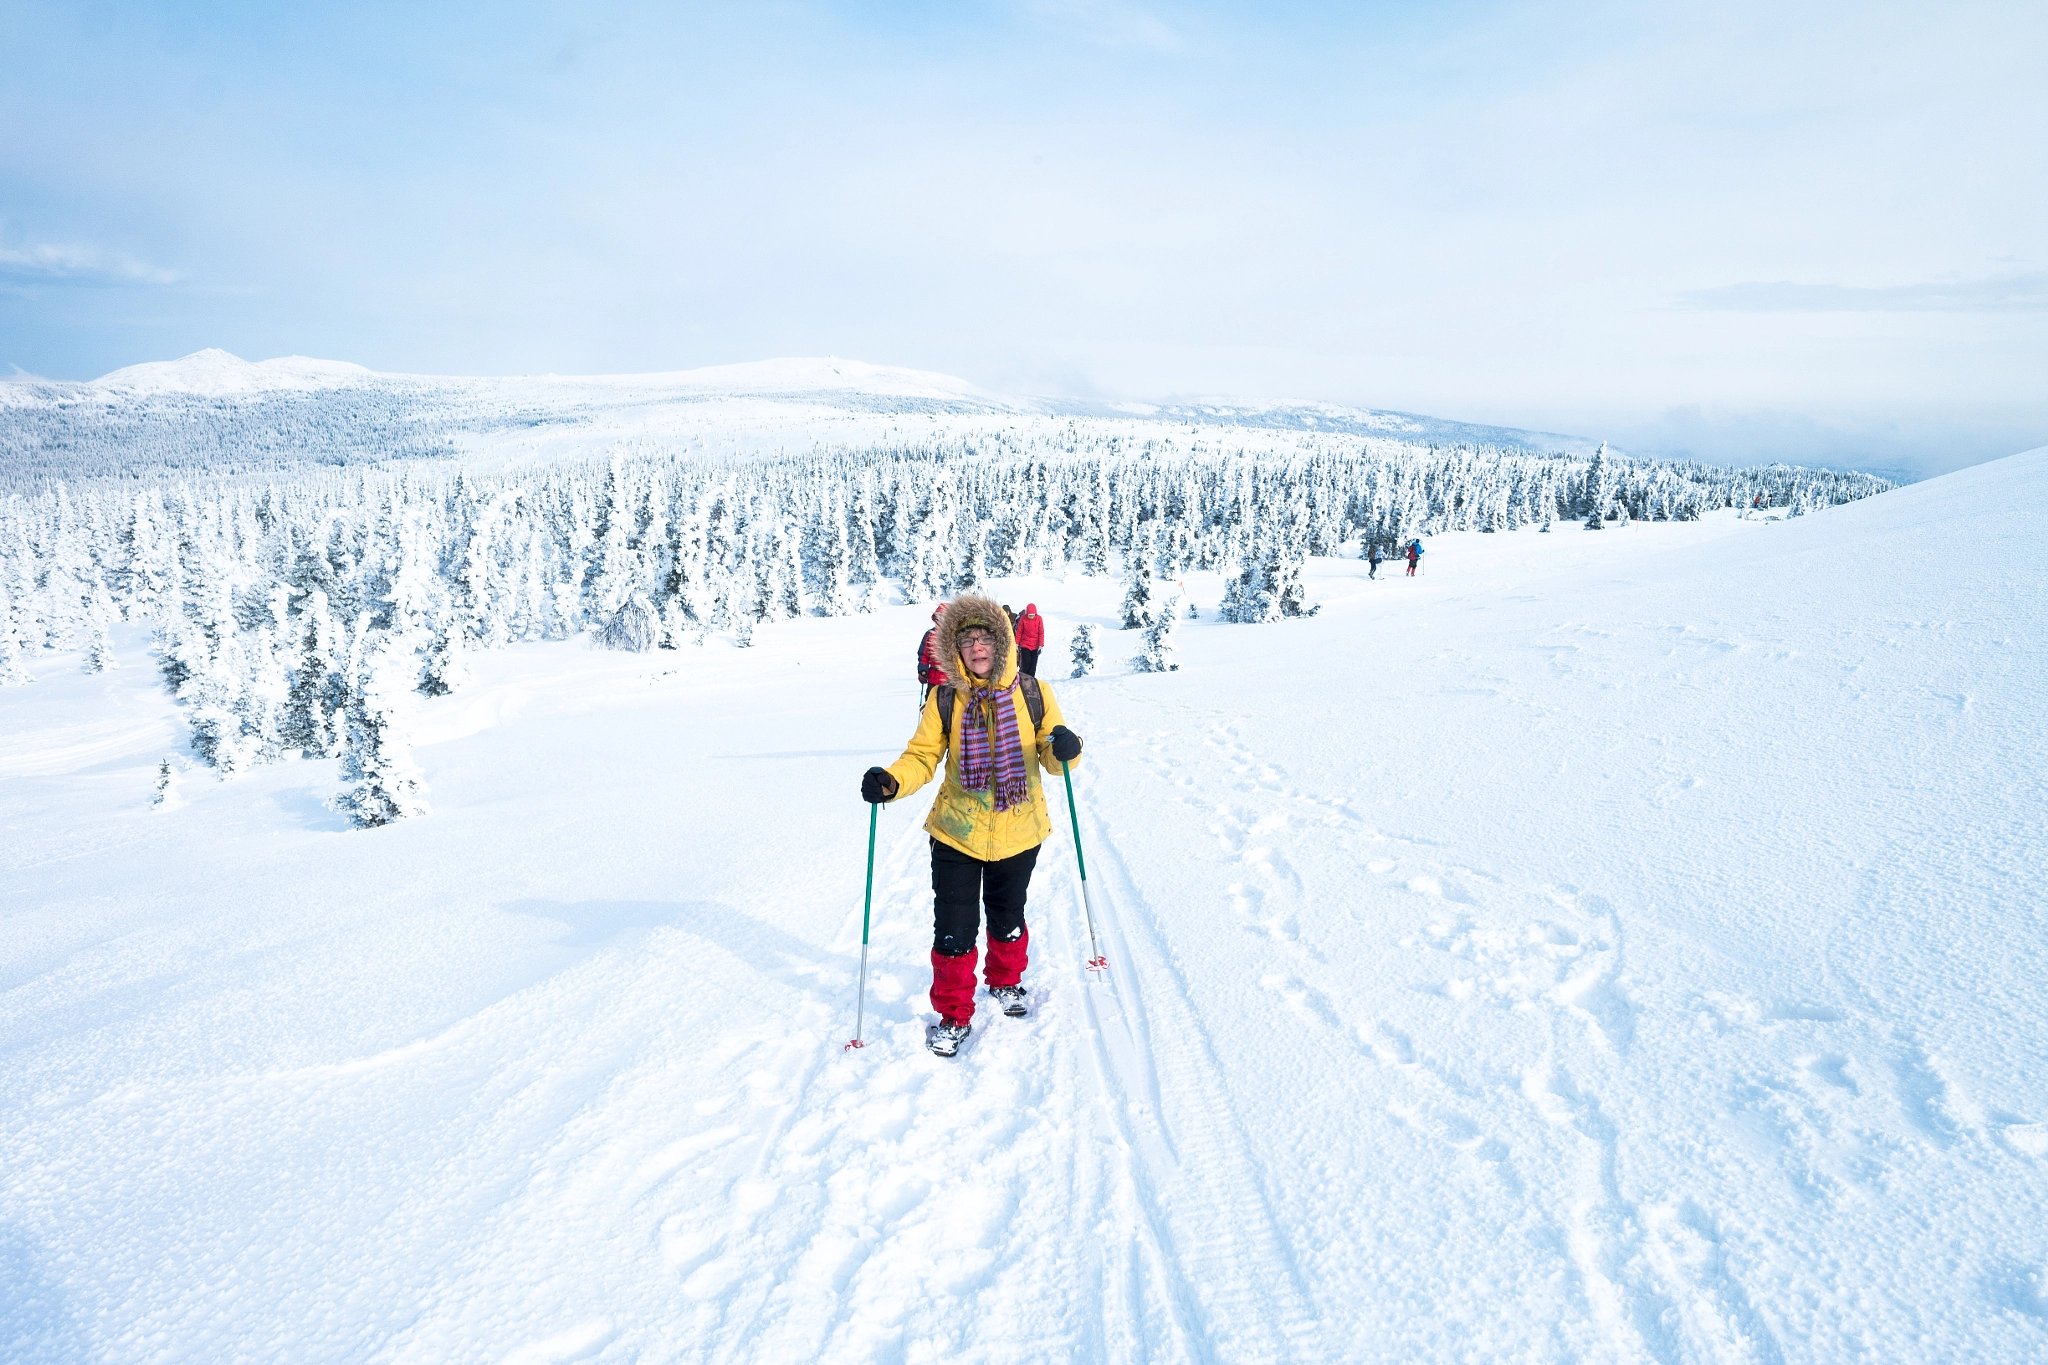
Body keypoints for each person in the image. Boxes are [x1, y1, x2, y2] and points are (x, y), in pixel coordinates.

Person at [861, 594, 1084, 1057]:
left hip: (1019, 830)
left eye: (985, 637)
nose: (977, 647)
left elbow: (1052, 757)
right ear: (954, 648)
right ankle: (953, 1013)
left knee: (1007, 915)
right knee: (954, 928)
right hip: (956, 831)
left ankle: (1005, 982)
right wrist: (891, 782)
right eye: (967, 639)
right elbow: (922, 757)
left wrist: (1066, 747)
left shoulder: (1034, 693)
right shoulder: (946, 699)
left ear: (1003, 641)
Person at [916, 605, 948, 703]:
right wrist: (923, 671)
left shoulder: (956, 635)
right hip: (933, 678)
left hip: (952, 679)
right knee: (930, 705)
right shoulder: (930, 635)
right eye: (939, 617)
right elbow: (923, 655)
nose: (941, 620)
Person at [1014, 602, 1045, 676]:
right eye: (1030, 615)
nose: (1031, 617)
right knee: (1025, 664)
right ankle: (1023, 679)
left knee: (1033, 666)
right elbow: (1019, 632)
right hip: (1025, 645)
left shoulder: (1039, 619)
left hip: (1035, 646)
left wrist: (1041, 645)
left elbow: (1041, 632)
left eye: (1032, 615)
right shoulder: (1023, 619)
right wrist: (1016, 643)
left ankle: (1031, 681)